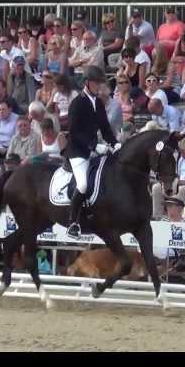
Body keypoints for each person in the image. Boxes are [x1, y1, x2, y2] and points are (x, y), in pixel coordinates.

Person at [65, 66, 119, 239]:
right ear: (87, 83)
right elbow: (74, 132)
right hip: (77, 152)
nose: (99, 86)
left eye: (100, 83)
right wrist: (94, 146)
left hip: (93, 151)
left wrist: (115, 144)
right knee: (82, 185)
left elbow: (105, 129)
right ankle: (73, 223)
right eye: (96, 83)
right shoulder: (77, 103)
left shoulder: (99, 103)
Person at [151, 138, 185, 218]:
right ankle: (158, 216)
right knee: (156, 187)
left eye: (182, 151)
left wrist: (178, 182)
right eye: (180, 150)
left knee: (181, 190)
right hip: (180, 182)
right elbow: (178, 175)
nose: (180, 152)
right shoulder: (181, 159)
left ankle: (176, 218)